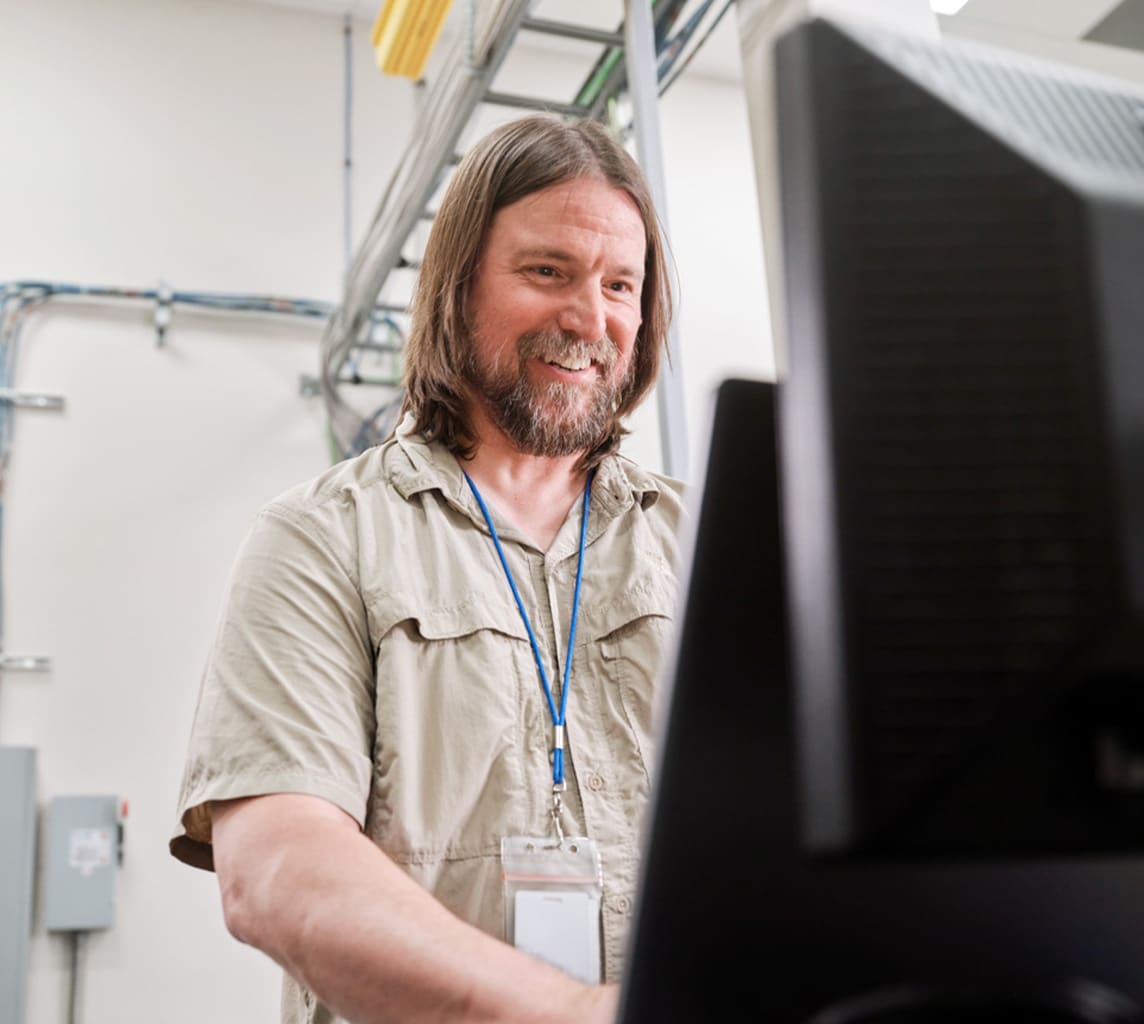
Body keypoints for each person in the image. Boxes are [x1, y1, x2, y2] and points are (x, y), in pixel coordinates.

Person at [170, 114, 684, 1024]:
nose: (589, 316)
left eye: (619, 284)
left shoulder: (700, 543)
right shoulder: (323, 538)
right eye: (547, 272)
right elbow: (279, 869)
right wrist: (572, 1012)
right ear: (457, 287)